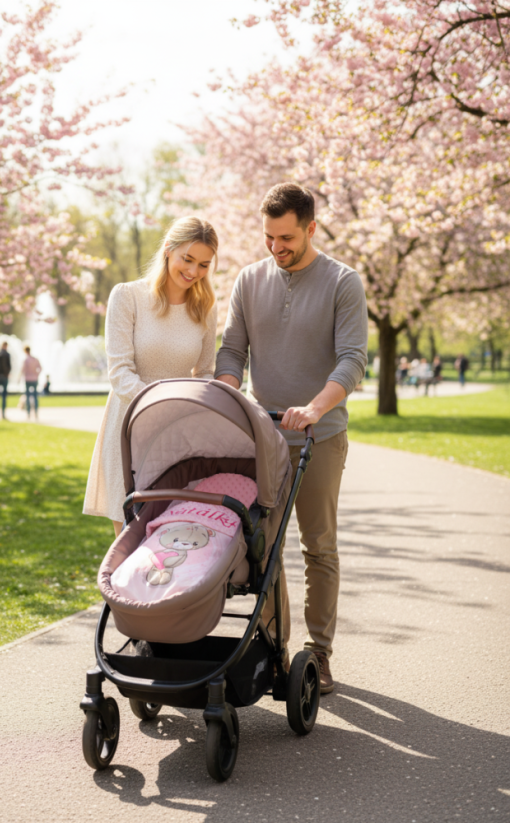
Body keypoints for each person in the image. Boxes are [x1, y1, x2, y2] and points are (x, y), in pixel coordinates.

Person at [215, 183, 368, 693]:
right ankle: (274, 648)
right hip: (266, 435)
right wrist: (228, 391)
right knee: (263, 546)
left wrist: (316, 407)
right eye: (268, 238)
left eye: (286, 238)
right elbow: (232, 350)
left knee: (318, 546)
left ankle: (319, 653)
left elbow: (352, 359)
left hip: (320, 435)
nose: (276, 248)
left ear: (310, 229)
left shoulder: (343, 282)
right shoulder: (249, 280)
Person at [83, 216, 219, 539]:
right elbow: (119, 373)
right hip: (129, 424)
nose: (193, 271)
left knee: (172, 538)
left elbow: (204, 373)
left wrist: (185, 413)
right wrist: (161, 406)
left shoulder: (205, 308)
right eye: (187, 259)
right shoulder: (127, 296)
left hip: (178, 432)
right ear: (169, 250)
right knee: (129, 540)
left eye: (203, 264)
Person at [20, 346, 42, 420]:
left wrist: (19, 378)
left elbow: (23, 370)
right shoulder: (35, 359)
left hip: (28, 379)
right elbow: (40, 368)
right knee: (35, 397)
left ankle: (28, 414)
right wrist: (36, 374)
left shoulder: (26, 360)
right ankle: (36, 413)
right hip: (34, 379)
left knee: (28, 397)